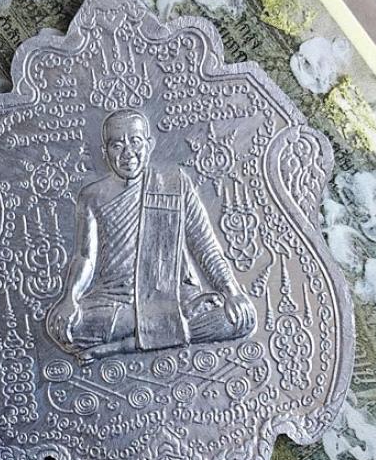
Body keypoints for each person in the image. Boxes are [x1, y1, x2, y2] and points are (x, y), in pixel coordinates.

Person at [46, 109, 256, 359]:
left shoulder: (175, 184)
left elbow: (204, 246)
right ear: (105, 152)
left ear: (149, 144)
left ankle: (123, 345)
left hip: (173, 296)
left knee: (240, 319)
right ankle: (166, 327)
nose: (128, 153)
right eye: (117, 145)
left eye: (135, 141)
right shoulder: (92, 196)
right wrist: (70, 298)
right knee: (64, 328)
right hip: (117, 303)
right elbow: (85, 257)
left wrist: (232, 292)